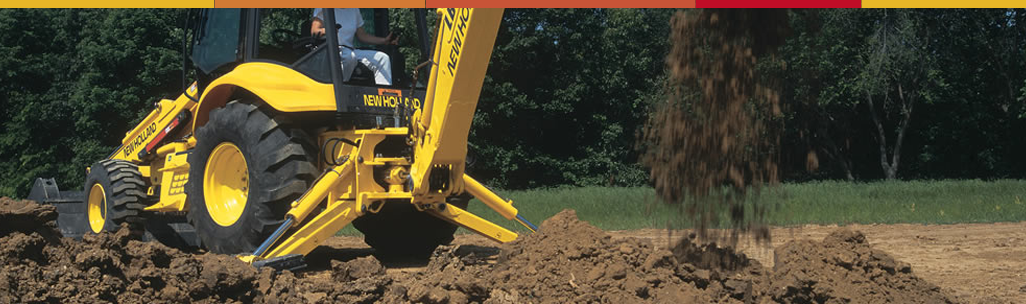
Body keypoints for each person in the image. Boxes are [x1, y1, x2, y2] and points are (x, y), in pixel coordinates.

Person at [311, 8, 398, 85]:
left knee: (383, 58)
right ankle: (340, 90)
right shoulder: (323, 7)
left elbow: (362, 36)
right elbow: (314, 31)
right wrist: (328, 30)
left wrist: (384, 40)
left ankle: (384, 97)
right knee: (349, 57)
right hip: (332, 50)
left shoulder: (354, 9)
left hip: (350, 50)